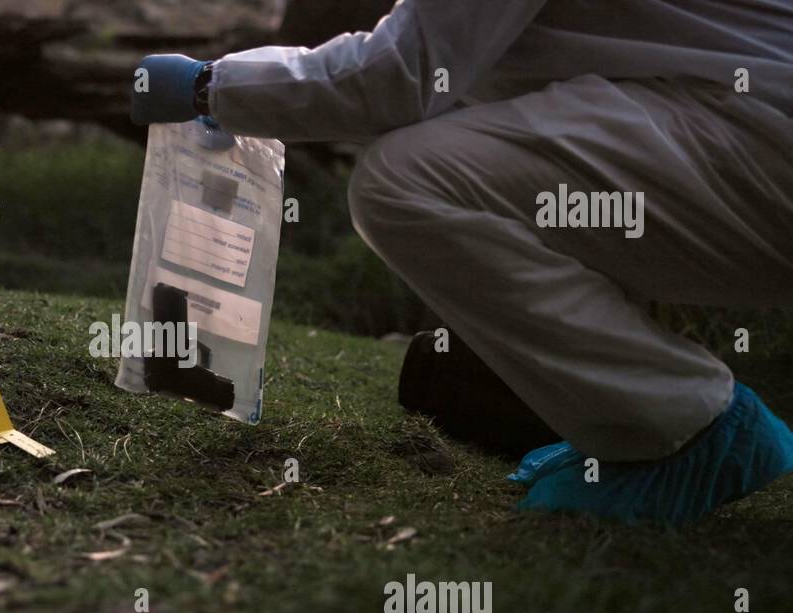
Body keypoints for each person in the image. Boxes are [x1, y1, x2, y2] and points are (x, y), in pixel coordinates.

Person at [129, 0, 793, 525]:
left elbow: (403, 76)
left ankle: (686, 426)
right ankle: (639, 424)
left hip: (754, 138)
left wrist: (212, 88)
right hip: (741, 134)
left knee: (405, 179)